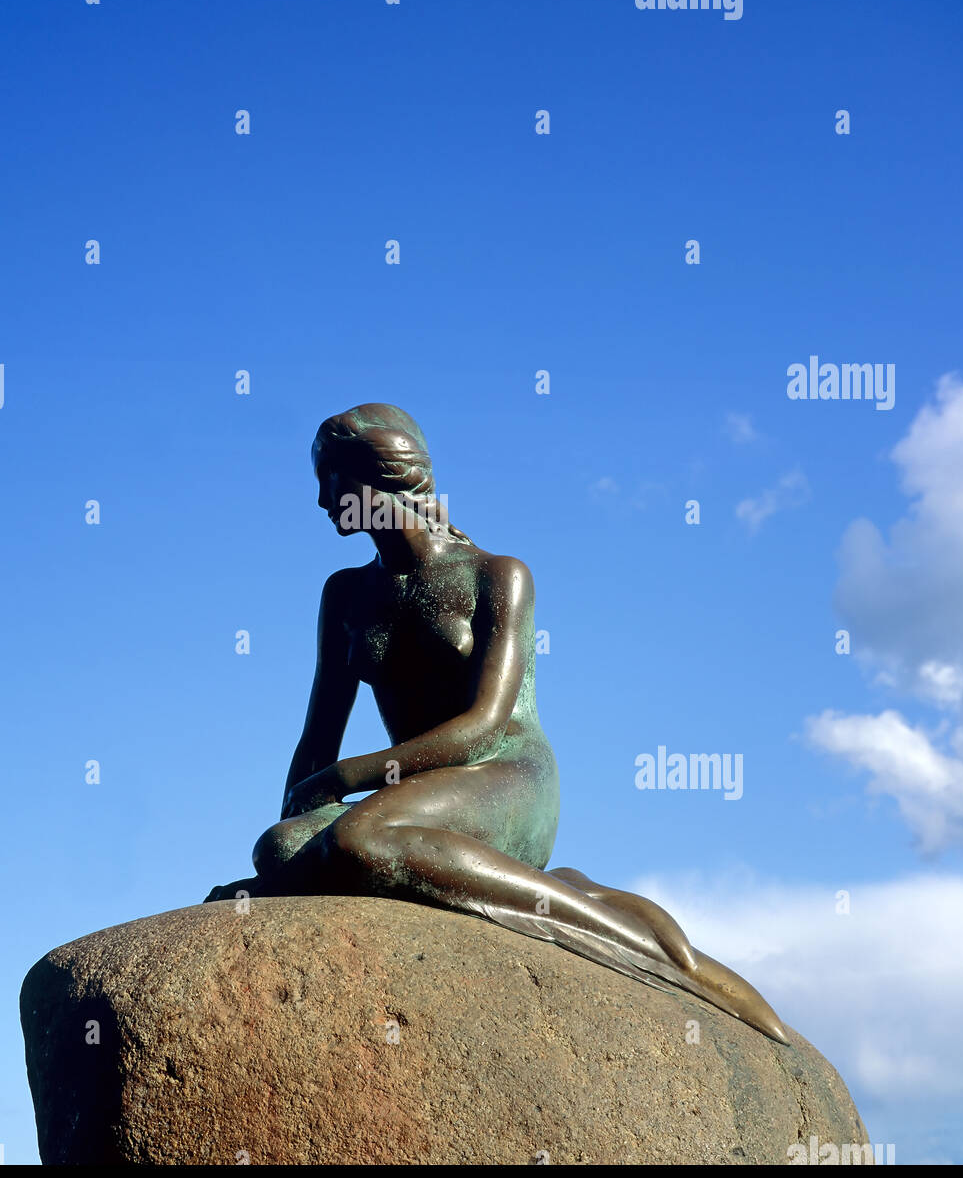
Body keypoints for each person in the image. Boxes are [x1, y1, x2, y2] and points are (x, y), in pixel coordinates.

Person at [206, 403, 788, 1043]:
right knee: (280, 849)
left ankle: (633, 942)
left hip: (503, 772)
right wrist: (287, 832)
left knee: (357, 842)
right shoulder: (345, 594)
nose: (321, 500)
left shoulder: (496, 576)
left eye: (331, 480)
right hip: (418, 795)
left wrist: (346, 776)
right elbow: (318, 734)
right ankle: (568, 890)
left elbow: (483, 725)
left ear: (379, 477)